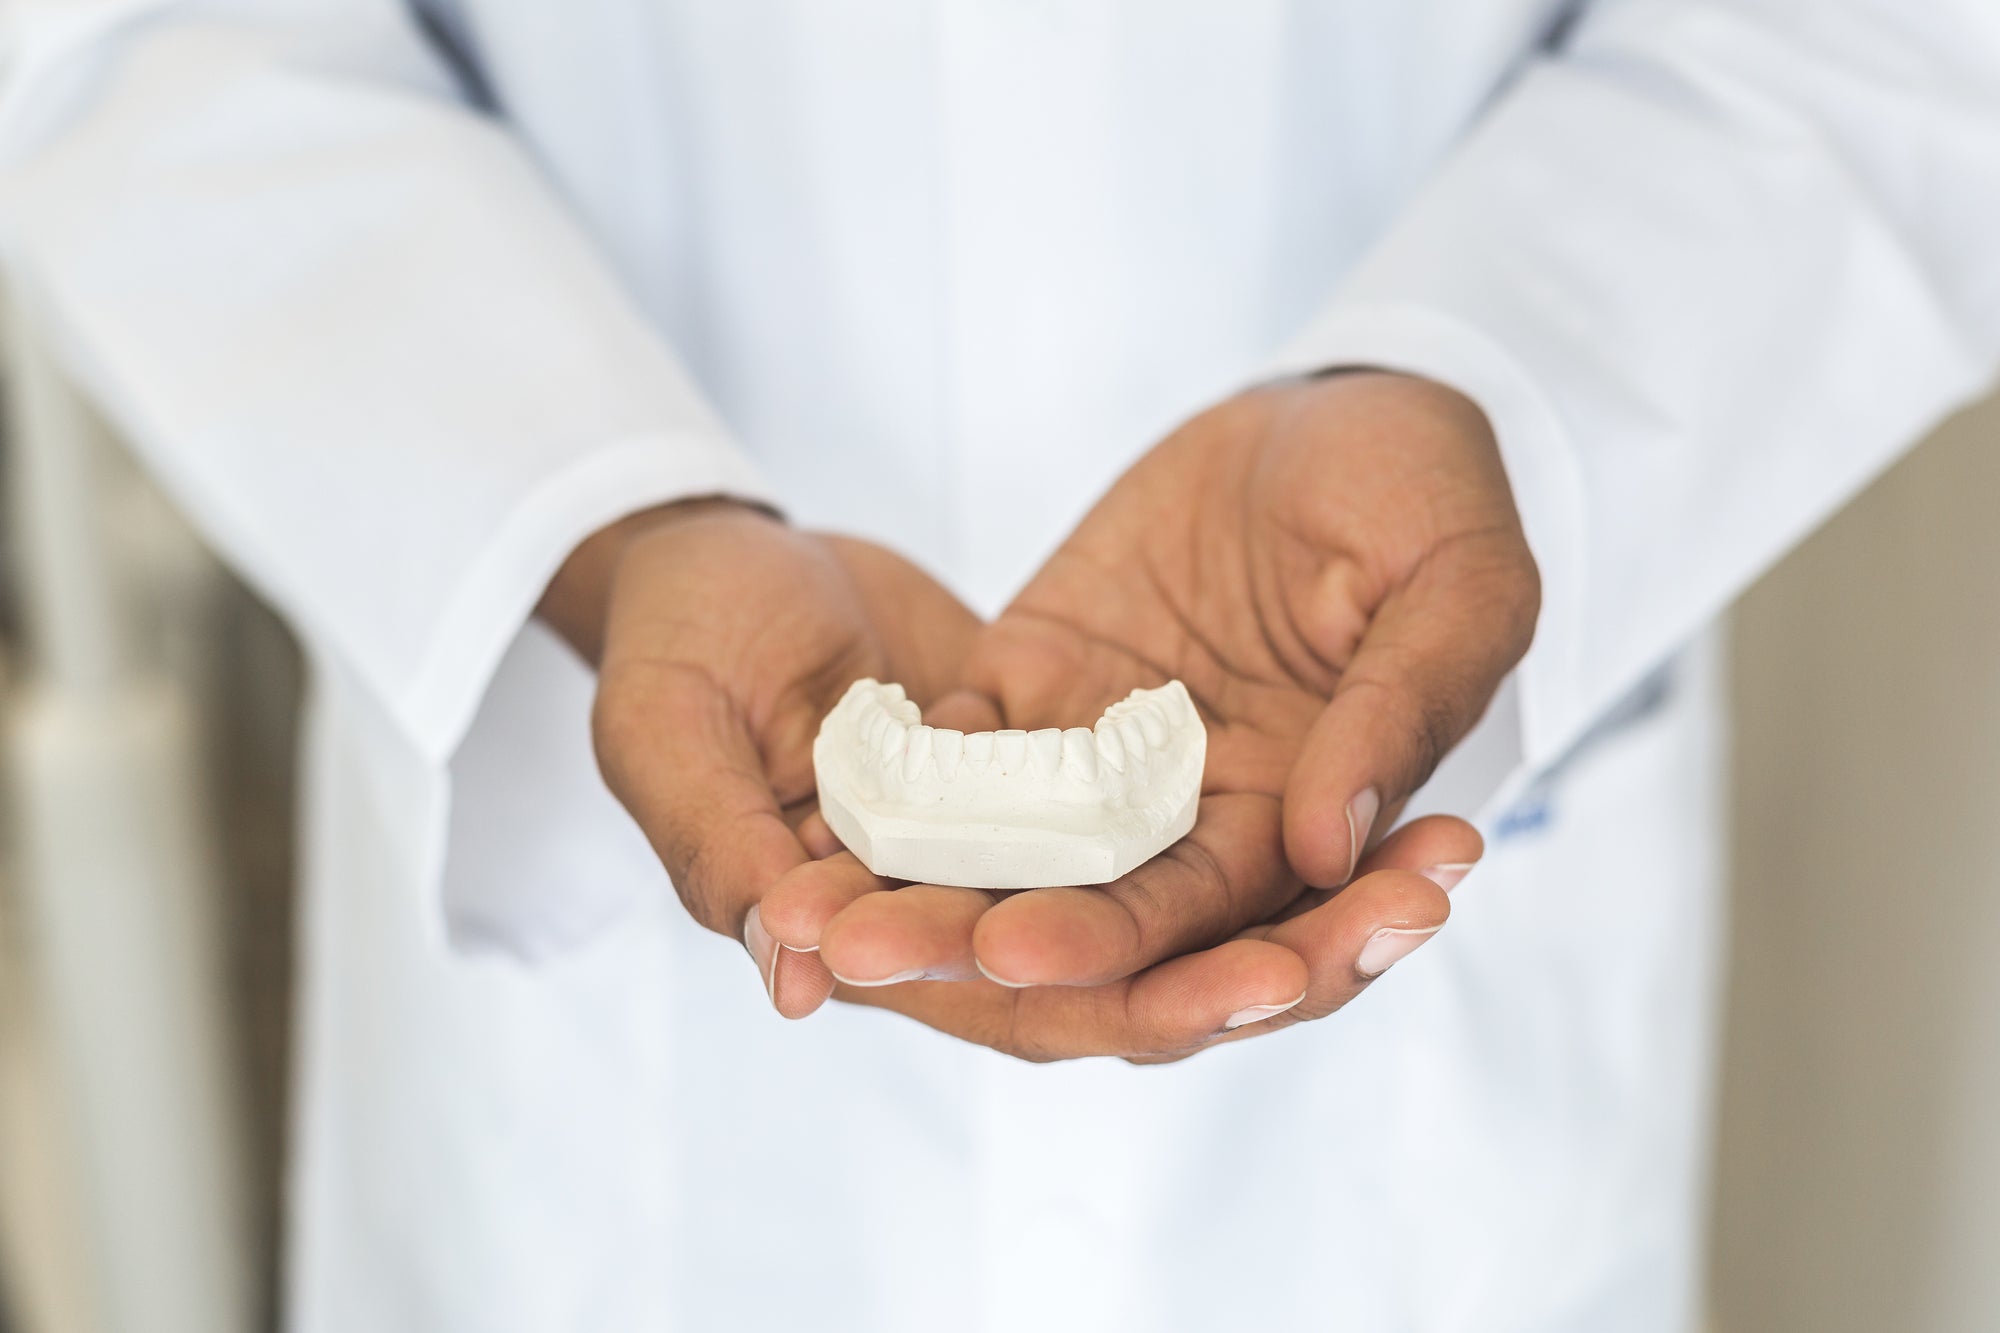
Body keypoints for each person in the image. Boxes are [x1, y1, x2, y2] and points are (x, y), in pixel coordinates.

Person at [1, 1, 1996, 1329]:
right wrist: (593, 514)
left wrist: (1503, 378)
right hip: (624, 1095)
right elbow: (130, 34)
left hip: (1403, 1105)